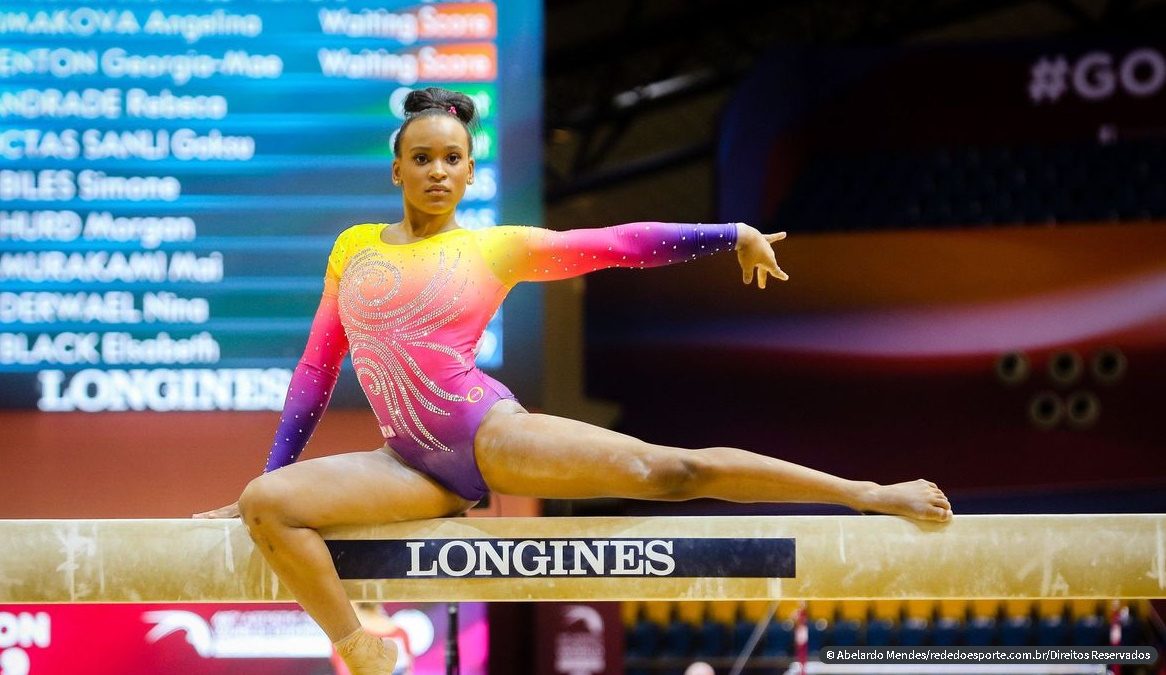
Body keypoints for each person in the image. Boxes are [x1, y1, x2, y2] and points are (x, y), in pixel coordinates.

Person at [195, 87, 952, 675]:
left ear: (468, 169)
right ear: (397, 167)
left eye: (451, 158)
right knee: (270, 504)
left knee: (671, 469)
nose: (436, 171)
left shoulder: (495, 249)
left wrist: (730, 235)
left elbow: (614, 243)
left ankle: (866, 491)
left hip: (486, 434)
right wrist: (268, 474)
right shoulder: (353, 249)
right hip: (405, 464)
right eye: (421, 157)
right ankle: (361, 646)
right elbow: (316, 369)